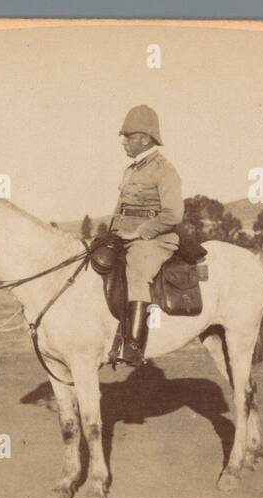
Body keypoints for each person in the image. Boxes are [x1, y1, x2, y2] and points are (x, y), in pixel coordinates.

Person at [109, 104, 183, 367]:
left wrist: (138, 233)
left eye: (127, 137)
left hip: (155, 240)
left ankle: (133, 345)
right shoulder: (131, 169)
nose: (123, 142)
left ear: (144, 138)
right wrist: (112, 234)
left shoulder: (165, 170)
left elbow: (173, 214)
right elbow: (120, 208)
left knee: (137, 273)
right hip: (125, 236)